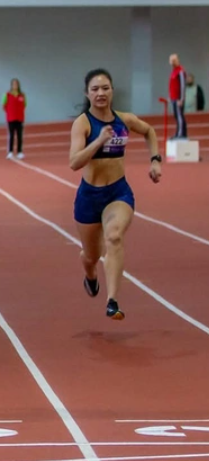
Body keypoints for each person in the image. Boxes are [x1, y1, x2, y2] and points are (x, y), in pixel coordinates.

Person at [69, 68, 161, 321]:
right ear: (87, 94)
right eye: (95, 89)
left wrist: (155, 160)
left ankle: (112, 301)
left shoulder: (124, 119)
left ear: (112, 91)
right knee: (91, 256)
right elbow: (74, 162)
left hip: (118, 192)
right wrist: (98, 141)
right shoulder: (83, 124)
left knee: (114, 236)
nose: (100, 93)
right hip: (89, 197)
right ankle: (90, 274)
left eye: (105, 88)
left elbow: (149, 131)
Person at [3, 78, 27, 159]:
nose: (15, 85)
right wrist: (9, 112)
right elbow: (4, 105)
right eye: (13, 84)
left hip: (20, 118)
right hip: (11, 118)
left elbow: (24, 105)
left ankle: (20, 152)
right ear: (11, 85)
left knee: (20, 135)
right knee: (11, 135)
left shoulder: (22, 95)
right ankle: (10, 152)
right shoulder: (7, 94)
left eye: (16, 84)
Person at [168, 54, 187, 139]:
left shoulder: (180, 71)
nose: (173, 62)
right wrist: (170, 96)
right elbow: (172, 85)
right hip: (173, 98)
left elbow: (182, 86)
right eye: (171, 60)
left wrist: (181, 99)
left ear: (178, 60)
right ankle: (178, 132)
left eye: (174, 60)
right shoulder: (173, 72)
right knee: (176, 116)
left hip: (178, 98)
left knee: (179, 116)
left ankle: (181, 133)